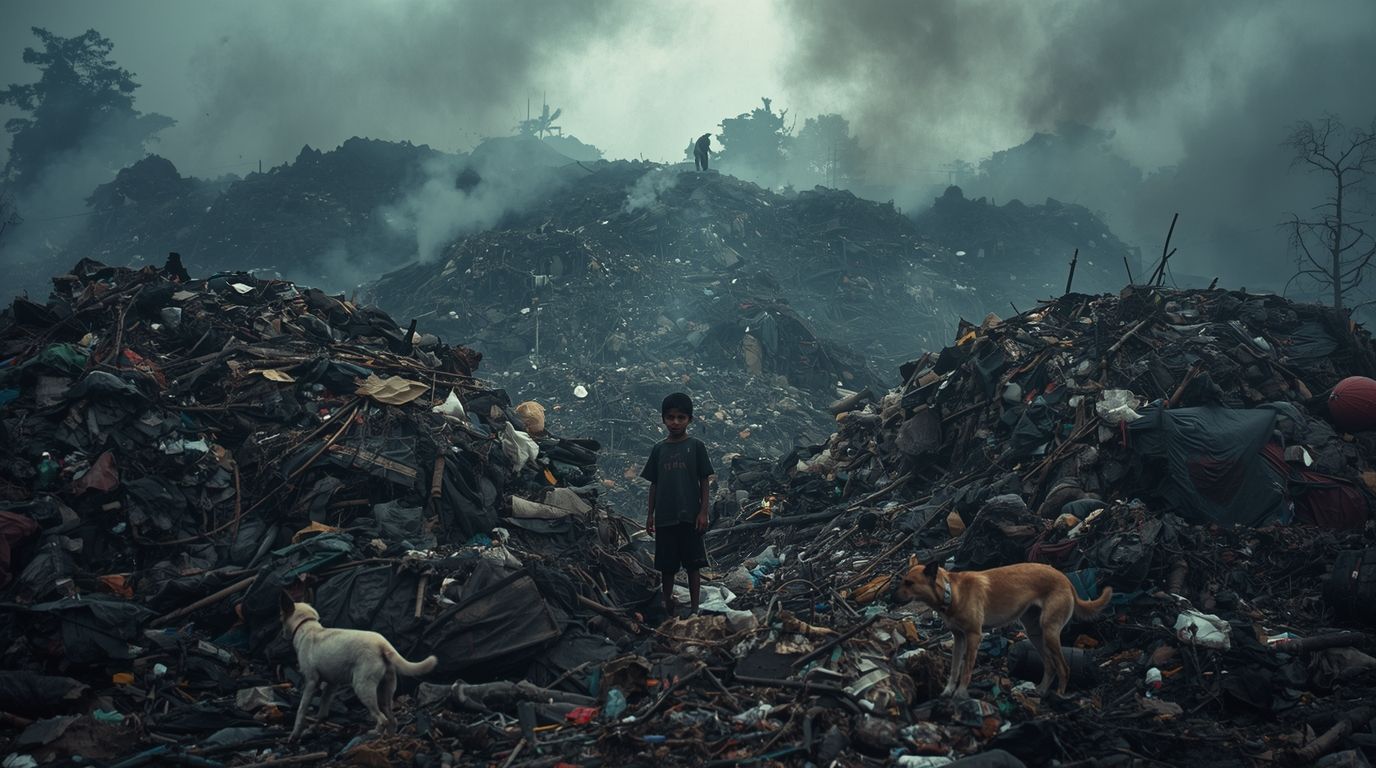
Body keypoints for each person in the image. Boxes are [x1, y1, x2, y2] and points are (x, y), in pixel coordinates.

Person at [641, 392, 714, 616]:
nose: (675, 422)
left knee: (693, 564)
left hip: (690, 516)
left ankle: (695, 608)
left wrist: (703, 512)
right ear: (663, 419)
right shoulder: (659, 449)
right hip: (665, 517)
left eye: (681, 417)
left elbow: (704, 481)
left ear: (689, 419)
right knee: (667, 566)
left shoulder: (696, 446)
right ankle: (667, 606)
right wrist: (650, 515)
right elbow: (654, 484)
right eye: (670, 417)